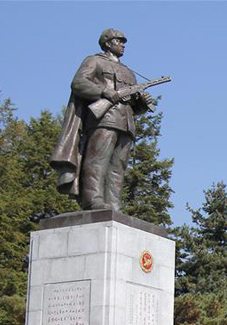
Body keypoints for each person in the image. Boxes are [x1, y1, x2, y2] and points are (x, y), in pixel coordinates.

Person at [51, 28, 155, 211]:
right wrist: (103, 92)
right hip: (104, 119)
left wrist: (143, 104)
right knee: (97, 161)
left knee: (118, 167)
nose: (122, 45)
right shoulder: (94, 61)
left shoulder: (129, 72)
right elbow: (78, 83)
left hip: (126, 123)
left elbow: (132, 104)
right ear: (107, 43)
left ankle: (113, 204)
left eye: (123, 42)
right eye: (118, 41)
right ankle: (93, 199)